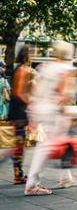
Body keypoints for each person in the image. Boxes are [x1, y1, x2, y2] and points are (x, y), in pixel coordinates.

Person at [25, 41, 77, 195]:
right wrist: (65, 113)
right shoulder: (65, 70)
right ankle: (32, 184)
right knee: (47, 147)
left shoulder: (45, 68)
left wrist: (33, 116)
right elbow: (64, 94)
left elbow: (35, 90)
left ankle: (65, 177)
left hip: (40, 109)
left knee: (60, 143)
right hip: (54, 111)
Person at [8, 46, 33, 185]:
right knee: (19, 144)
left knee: (19, 143)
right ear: (27, 56)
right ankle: (18, 175)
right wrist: (30, 101)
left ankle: (19, 173)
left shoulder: (19, 69)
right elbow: (18, 92)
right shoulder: (22, 70)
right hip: (19, 112)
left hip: (17, 110)